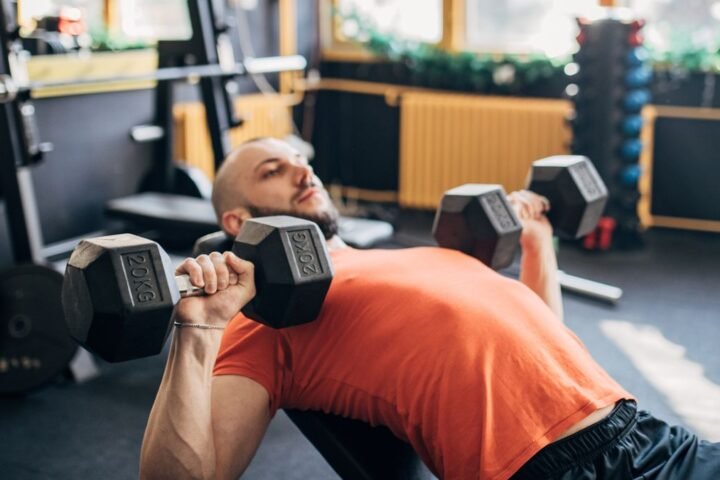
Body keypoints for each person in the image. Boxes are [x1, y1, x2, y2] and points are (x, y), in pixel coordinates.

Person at [139, 138, 719, 480]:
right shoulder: (266, 315)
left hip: (645, 431)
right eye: (274, 171)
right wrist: (199, 328)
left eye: (299, 160)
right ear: (237, 223)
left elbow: (549, 353)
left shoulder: (415, 255)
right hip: (555, 470)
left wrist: (538, 242)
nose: (301, 169)